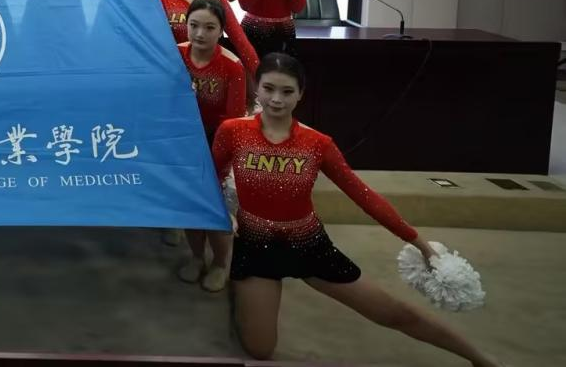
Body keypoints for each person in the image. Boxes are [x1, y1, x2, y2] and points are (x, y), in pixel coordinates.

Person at [215, 53, 501, 367]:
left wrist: (421, 244)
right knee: (260, 350)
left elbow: (364, 196)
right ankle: (239, 290)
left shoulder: (317, 143)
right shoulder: (232, 131)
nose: (276, 99)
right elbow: (210, 177)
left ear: (301, 94)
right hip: (255, 246)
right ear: (257, 88)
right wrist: (223, 218)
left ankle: (480, 357)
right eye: (269, 88)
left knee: (393, 313)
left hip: (307, 244)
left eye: (287, 91)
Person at [175, 0, 246, 293]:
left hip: (218, 141)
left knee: (214, 209)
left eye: (209, 27)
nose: (200, 34)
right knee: (190, 206)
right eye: (193, 25)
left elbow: (233, 122)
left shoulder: (232, 66)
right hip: (183, 141)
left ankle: (219, 262)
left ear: (221, 30)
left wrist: (217, 162)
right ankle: (196, 256)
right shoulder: (175, 55)